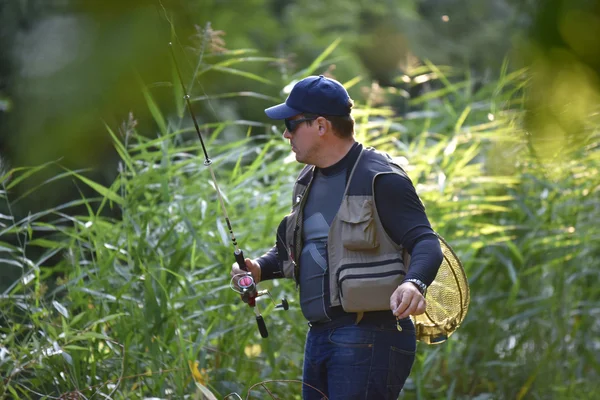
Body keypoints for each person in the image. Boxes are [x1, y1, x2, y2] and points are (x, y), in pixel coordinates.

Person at [231, 75, 443, 400]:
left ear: (320, 125)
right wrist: (257, 268)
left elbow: (426, 242)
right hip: (319, 336)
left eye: (291, 123)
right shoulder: (307, 182)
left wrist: (414, 283)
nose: (286, 133)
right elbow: (302, 250)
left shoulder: (381, 177)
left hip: (371, 334)